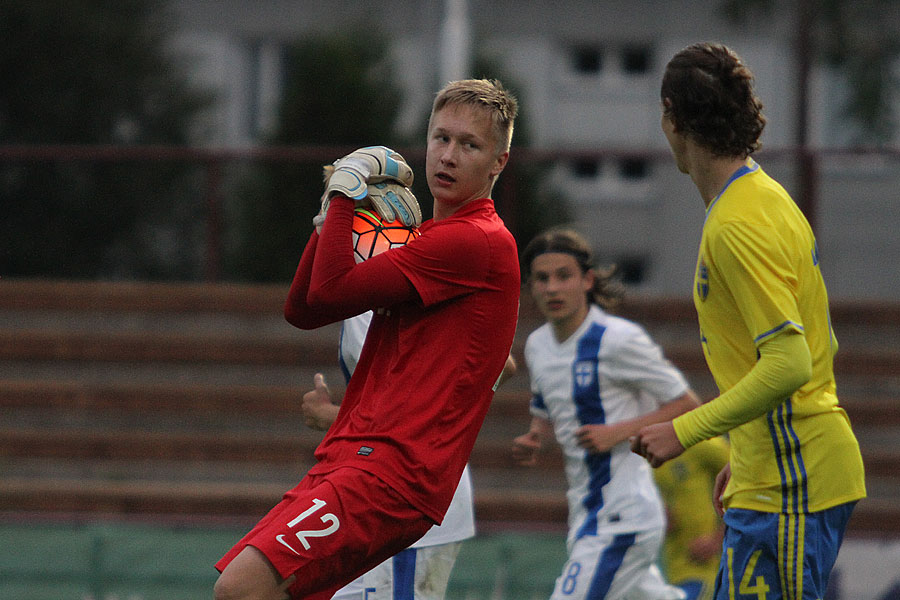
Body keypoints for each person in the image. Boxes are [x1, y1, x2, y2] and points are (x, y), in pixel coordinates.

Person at [213, 78, 521, 600]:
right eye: (441, 138)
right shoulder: (428, 238)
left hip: (393, 475)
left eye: (470, 145)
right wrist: (329, 217)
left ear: (498, 162)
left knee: (241, 588)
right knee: (255, 589)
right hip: (354, 457)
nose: (448, 156)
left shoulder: (475, 240)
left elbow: (329, 291)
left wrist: (343, 197)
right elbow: (303, 310)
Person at [631, 42, 866, 600]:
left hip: (792, 481)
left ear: (671, 115)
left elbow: (789, 363)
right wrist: (744, 455)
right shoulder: (765, 199)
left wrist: (684, 431)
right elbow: (821, 340)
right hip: (775, 474)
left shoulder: (738, 223)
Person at [511, 228, 700, 600]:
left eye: (563, 276)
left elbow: (686, 403)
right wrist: (536, 436)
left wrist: (619, 432)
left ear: (587, 280)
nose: (552, 288)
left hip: (623, 515)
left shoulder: (618, 339)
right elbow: (548, 410)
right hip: (586, 511)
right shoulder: (537, 346)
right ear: (531, 286)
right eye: (542, 278)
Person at [301, 308, 518, 600]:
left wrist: (329, 417)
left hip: (406, 495)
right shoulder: (386, 286)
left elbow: (498, 363)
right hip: (390, 489)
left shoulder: (385, 289)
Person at [653, 436, 729, 600]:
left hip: (705, 567)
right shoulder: (646, 453)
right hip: (667, 570)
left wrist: (719, 538)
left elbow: (748, 483)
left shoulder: (703, 443)